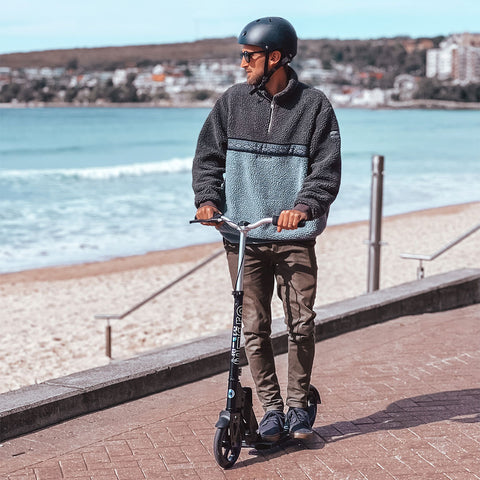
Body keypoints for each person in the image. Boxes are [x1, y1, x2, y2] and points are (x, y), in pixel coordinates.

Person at [192, 17, 341, 441]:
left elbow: (325, 170)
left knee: (301, 323)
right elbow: (208, 158)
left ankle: (298, 406)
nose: (242, 64)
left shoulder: (315, 106)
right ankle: (272, 410)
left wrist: (304, 206)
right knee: (253, 328)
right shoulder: (232, 102)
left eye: (248, 56)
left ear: (275, 58)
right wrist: (207, 201)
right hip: (244, 236)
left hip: (293, 237)